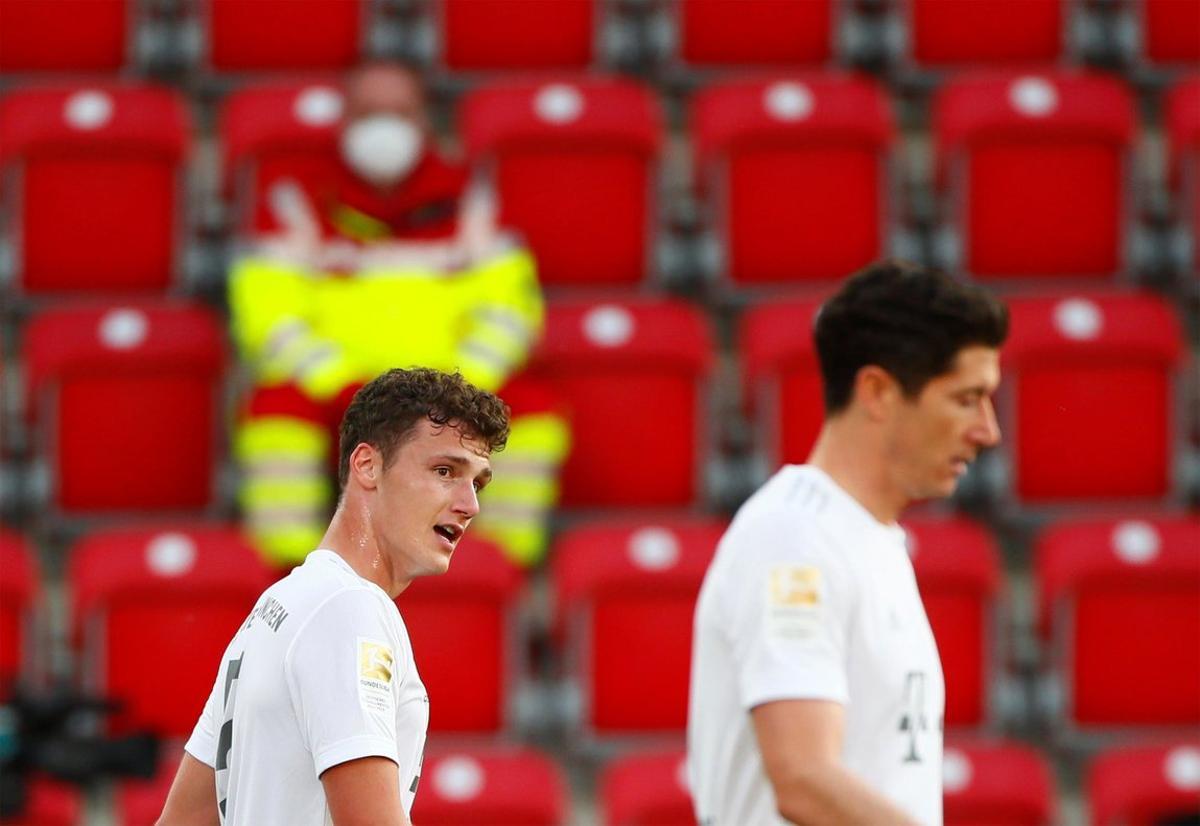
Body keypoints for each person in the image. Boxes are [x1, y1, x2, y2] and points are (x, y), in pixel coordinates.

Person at [687, 261, 1009, 826]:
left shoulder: (862, 538)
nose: (988, 430)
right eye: (965, 399)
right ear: (878, 392)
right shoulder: (795, 539)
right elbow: (805, 781)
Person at [229, 60, 569, 571]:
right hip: (334, 387)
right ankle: (292, 574)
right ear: (344, 120)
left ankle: (494, 571)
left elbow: (510, 311)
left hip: (451, 387)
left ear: (424, 122)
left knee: (533, 411)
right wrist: (335, 382)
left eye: (398, 112)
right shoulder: (298, 201)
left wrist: (458, 389)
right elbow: (268, 313)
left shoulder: (469, 201)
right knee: (275, 411)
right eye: (369, 112)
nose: (383, 127)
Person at [157, 367, 509, 825]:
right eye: (445, 471)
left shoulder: (279, 604)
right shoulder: (351, 610)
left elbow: (180, 821)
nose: (470, 503)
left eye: (477, 483)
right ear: (367, 465)